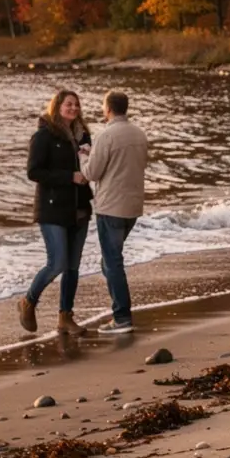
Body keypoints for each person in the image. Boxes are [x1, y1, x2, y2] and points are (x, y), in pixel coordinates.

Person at [18, 89, 93, 336]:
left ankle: (65, 318)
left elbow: (90, 166)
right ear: (57, 106)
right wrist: (68, 177)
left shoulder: (84, 136)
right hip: (52, 209)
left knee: (72, 266)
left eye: (76, 105)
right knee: (58, 262)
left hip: (80, 208)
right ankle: (28, 301)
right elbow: (34, 172)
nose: (73, 108)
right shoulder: (44, 136)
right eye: (68, 104)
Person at [81, 90, 148, 335]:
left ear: (108, 108)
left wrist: (82, 157)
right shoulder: (139, 134)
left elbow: (91, 173)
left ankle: (121, 317)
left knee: (113, 262)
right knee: (110, 261)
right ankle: (120, 312)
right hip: (133, 207)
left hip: (111, 208)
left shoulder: (106, 135)